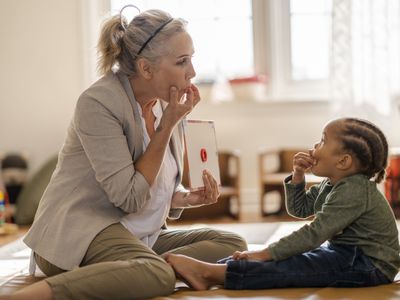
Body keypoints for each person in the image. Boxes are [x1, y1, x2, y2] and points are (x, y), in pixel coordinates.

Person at [3, 7, 247, 300]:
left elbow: (155, 181)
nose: (192, 72)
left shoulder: (164, 104)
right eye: (182, 61)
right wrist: (166, 126)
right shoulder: (98, 103)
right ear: (146, 68)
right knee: (155, 275)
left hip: (137, 237)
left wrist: (183, 197)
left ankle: (145, 269)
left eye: (191, 59)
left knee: (232, 242)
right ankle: (29, 296)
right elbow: (129, 197)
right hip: (81, 233)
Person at [166, 117, 400, 290]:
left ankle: (212, 273)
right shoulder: (333, 184)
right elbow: (300, 210)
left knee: (296, 266)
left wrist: (264, 254)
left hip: (369, 264)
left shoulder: (354, 190)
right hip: (346, 253)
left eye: (322, 141)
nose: (314, 147)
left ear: (343, 161)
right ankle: (216, 269)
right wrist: (298, 177)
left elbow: (313, 234)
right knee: (287, 256)